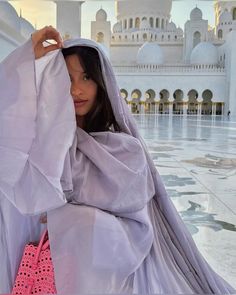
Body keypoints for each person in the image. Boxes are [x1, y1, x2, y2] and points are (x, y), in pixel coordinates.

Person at [0, 26, 235, 294]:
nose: (76, 90)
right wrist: (26, 57)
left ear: (101, 82)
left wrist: (65, 216)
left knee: (80, 223)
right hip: (54, 262)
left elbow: (134, 222)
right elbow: (8, 135)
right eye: (66, 78)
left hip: (110, 258)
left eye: (86, 77)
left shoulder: (125, 148)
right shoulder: (46, 143)